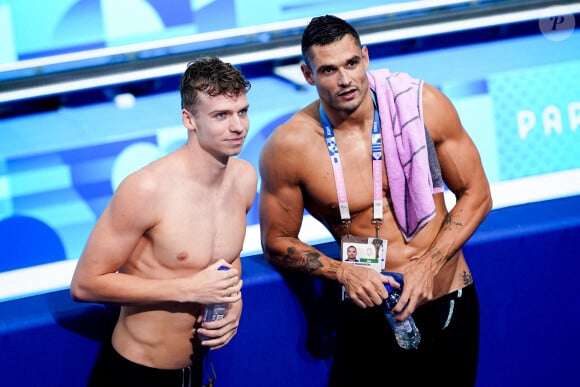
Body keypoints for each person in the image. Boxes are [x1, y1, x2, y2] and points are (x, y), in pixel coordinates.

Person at [259, 15, 492, 387]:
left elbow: (477, 194)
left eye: (352, 63)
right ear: (307, 75)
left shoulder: (421, 105)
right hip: (370, 308)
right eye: (329, 70)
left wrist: (427, 265)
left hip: (446, 297)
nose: (345, 79)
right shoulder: (289, 147)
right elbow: (276, 242)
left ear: (365, 57)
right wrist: (343, 271)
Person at [70, 56, 257, 387]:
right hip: (137, 372)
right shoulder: (146, 189)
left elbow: (227, 257)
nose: (238, 126)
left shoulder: (244, 178)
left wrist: (234, 301)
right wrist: (188, 288)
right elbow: (85, 284)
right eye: (221, 116)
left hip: (198, 370)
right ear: (189, 119)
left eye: (242, 111)